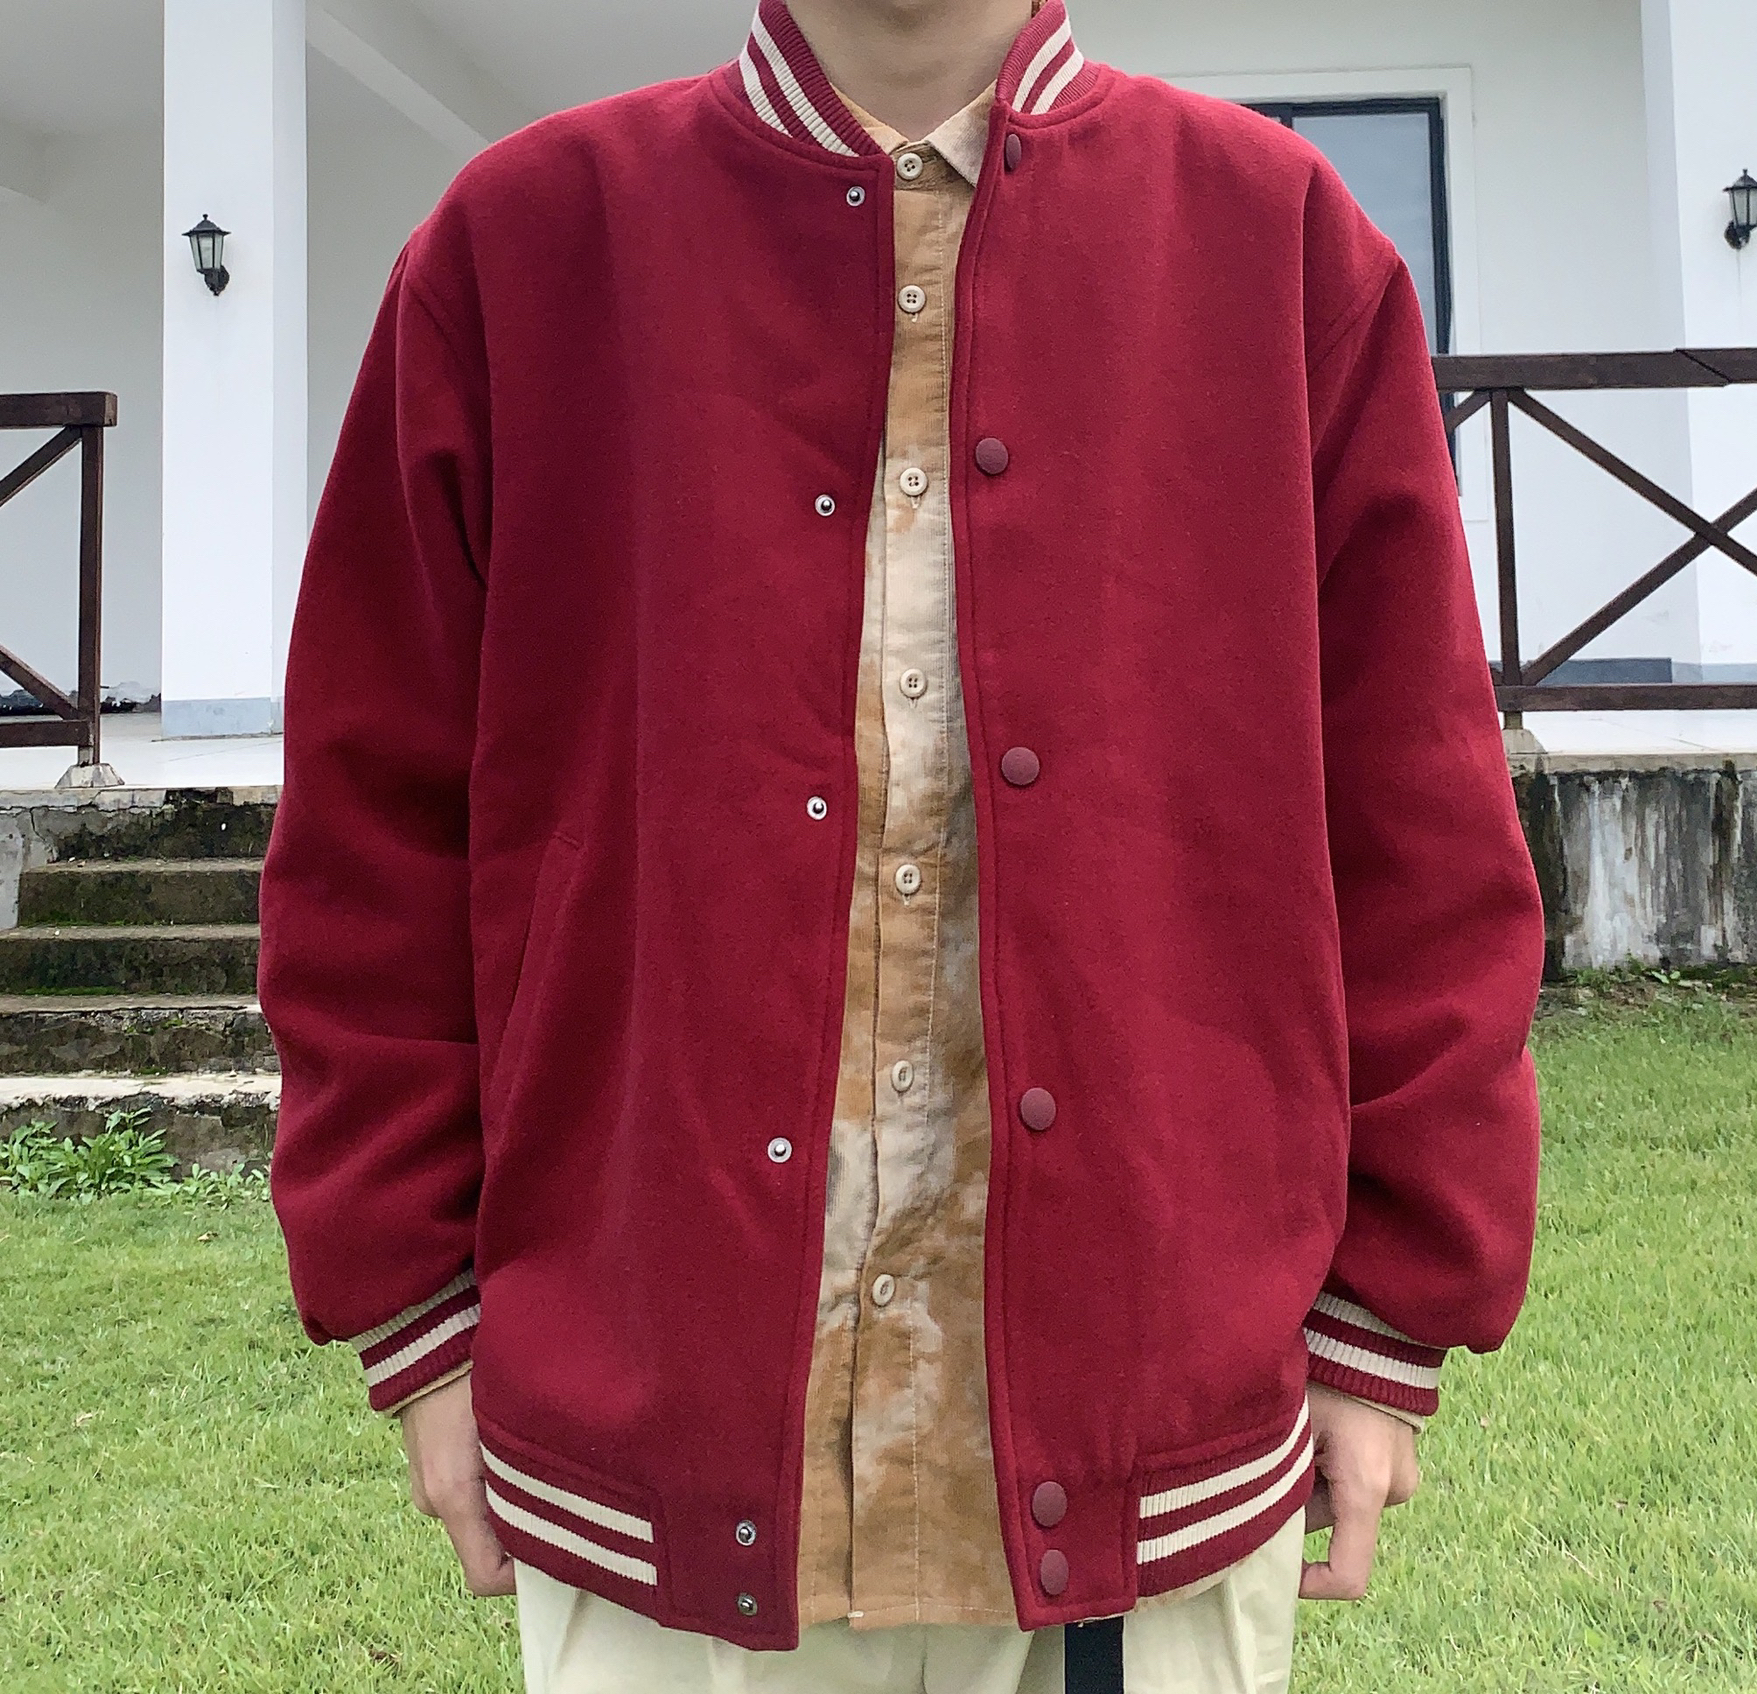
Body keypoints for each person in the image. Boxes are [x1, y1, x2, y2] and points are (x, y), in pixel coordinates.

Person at [260, 0, 1545, 1689]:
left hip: (1155, 1447)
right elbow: (370, 826)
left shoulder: (1281, 243)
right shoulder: (524, 247)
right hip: (667, 1449)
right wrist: (421, 1325)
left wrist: (1386, 1321)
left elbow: (1421, 820)